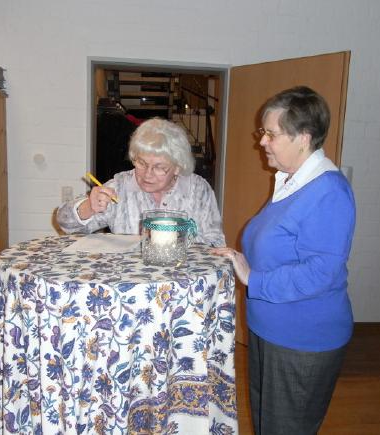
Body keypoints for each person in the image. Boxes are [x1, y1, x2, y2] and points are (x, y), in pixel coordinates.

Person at [212, 86, 356, 434]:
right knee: (268, 425)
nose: (262, 141)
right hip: (271, 329)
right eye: (263, 132)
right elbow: (279, 245)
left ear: (303, 138)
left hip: (302, 338)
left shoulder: (328, 192)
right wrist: (239, 258)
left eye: (271, 134)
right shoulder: (291, 182)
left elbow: (320, 272)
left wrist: (253, 278)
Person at [56, 117, 226, 247]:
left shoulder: (198, 190)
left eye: (159, 167)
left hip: (183, 277)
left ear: (178, 167)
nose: (147, 174)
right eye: (141, 163)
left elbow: (216, 242)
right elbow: (66, 225)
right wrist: (89, 207)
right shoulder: (120, 187)